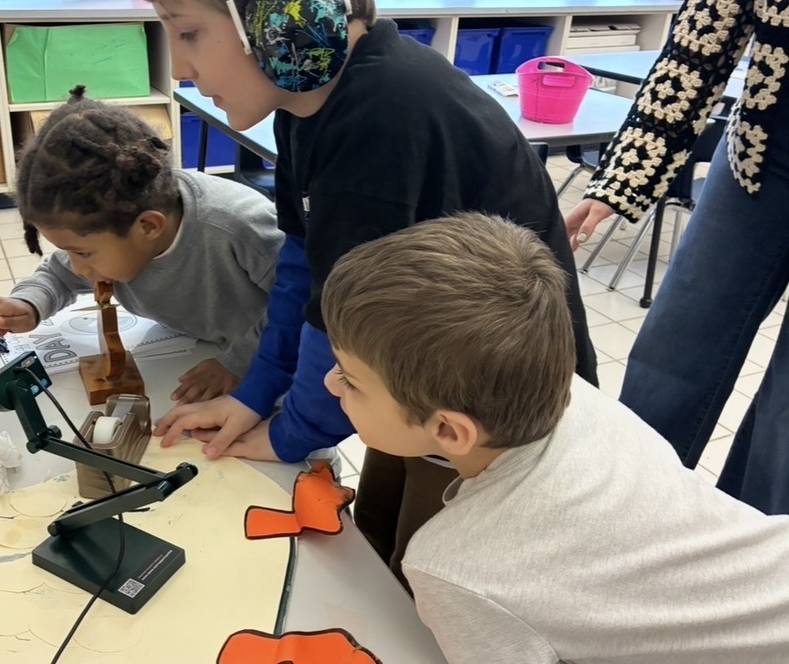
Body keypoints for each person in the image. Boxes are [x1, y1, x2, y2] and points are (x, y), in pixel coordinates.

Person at [121, 0, 597, 581]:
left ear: (286, 14)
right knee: (373, 536)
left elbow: (338, 316)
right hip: (418, 375)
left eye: (189, 32)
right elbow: (304, 267)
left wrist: (290, 435)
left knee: (422, 575)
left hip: (492, 422)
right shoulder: (304, 106)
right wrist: (256, 396)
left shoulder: (382, 116)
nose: (179, 66)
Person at [322, 212, 789, 663]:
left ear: (449, 430)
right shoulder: (576, 395)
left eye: (350, 380)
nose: (329, 383)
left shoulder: (456, 569)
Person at [564, 0, 789, 514]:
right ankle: (622, 517)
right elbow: (699, 43)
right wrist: (622, 178)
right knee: (675, 347)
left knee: (783, 422)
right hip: (761, 155)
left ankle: (757, 568)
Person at [0, 86, 283, 404]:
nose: (76, 266)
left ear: (148, 227)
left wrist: (237, 362)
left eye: (83, 252)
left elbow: (303, 305)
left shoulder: (238, 226)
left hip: (277, 359)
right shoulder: (117, 224)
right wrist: (29, 303)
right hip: (204, 346)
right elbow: (58, 275)